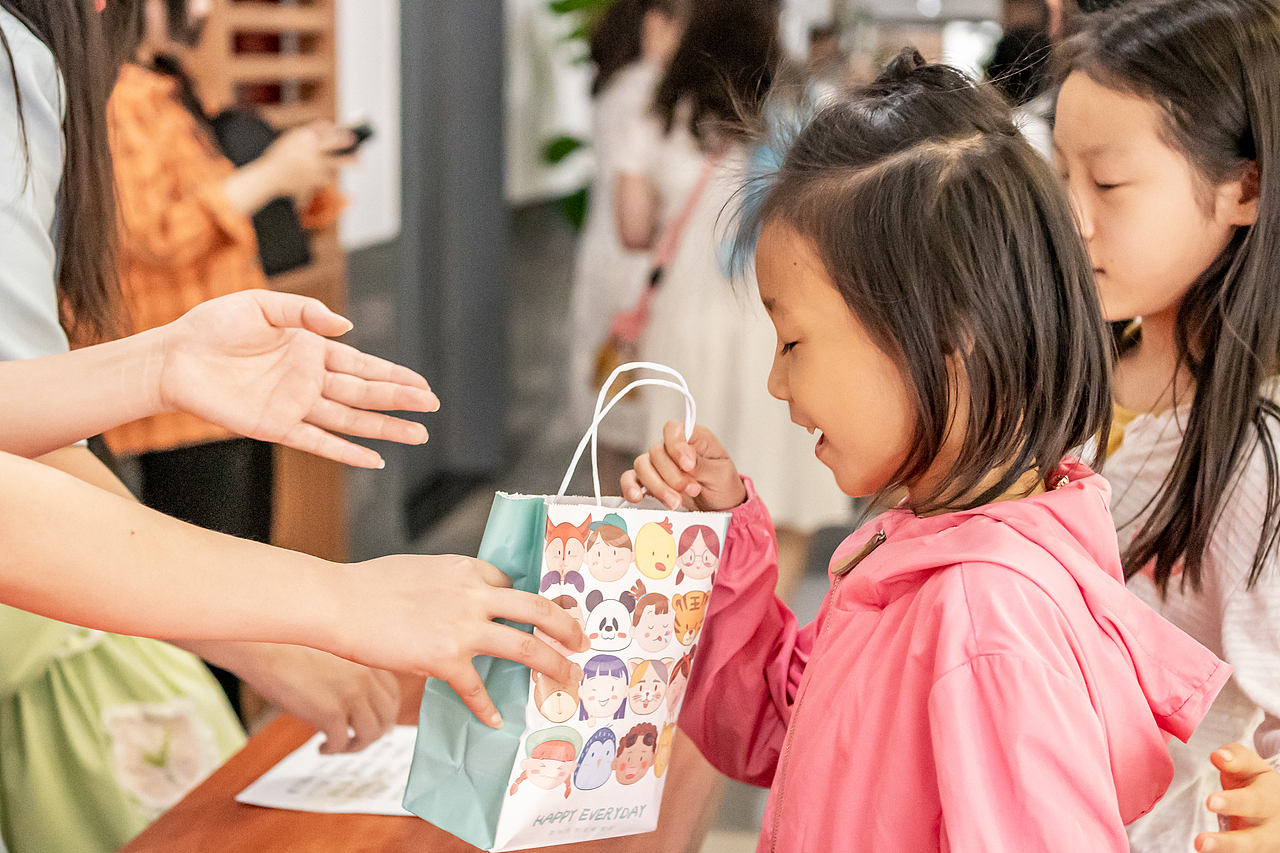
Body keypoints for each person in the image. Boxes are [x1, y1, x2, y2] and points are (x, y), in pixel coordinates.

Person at [621, 52, 1229, 851]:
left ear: (943, 335)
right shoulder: (930, 555)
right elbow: (783, 722)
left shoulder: (982, 617)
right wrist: (722, 537)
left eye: (794, 339)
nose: (777, 381)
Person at [1053, 0, 1280, 849]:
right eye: (1061, 175)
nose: (1075, 217)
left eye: (1108, 184)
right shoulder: (1067, 376)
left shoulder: (1257, 448)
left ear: (1244, 187)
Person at [616, 0, 849, 589]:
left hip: (687, 325)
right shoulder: (810, 109)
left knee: (680, 487)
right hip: (782, 326)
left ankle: (678, 654)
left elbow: (633, 227)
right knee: (781, 497)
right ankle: (757, 638)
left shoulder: (663, 112)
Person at [566, 0, 681, 470]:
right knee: (637, 419)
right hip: (637, 267)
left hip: (603, 260)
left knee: (609, 412)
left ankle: (611, 530)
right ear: (655, 25)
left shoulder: (614, 85)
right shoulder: (650, 91)